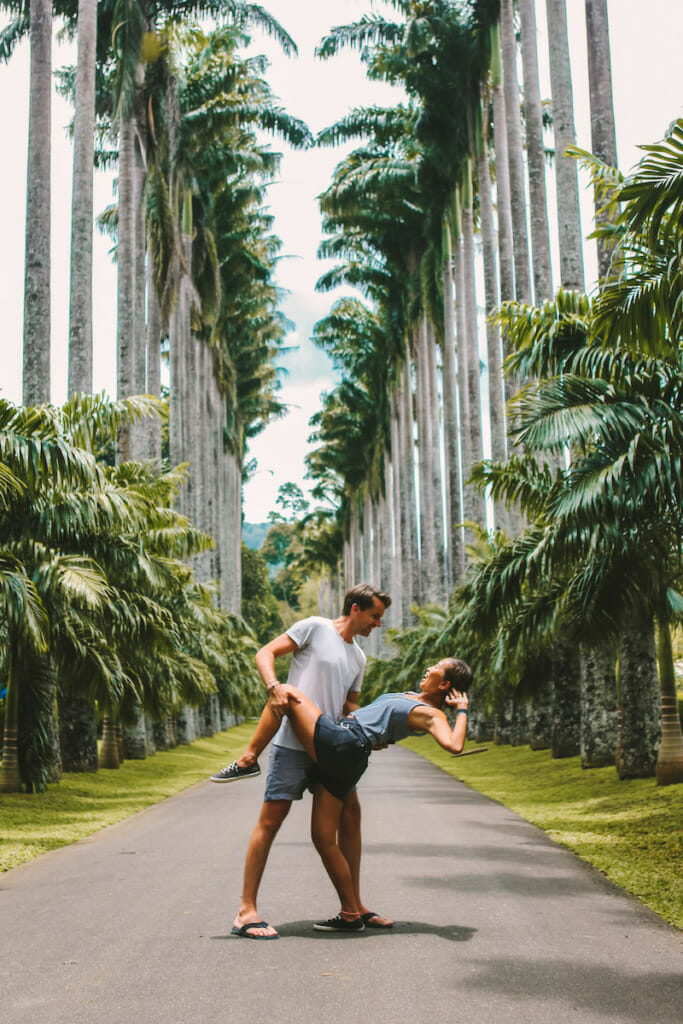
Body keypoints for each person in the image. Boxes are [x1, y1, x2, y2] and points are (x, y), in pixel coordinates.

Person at [227, 657, 472, 935]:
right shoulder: (412, 697)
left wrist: (461, 710)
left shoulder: (432, 713)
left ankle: (247, 760)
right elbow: (374, 714)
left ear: (444, 684)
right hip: (350, 750)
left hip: (344, 744)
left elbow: (454, 745)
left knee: (287, 692)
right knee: (322, 836)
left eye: (435, 668)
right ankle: (352, 911)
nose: (428, 668)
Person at [213, 583, 392, 940]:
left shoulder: (359, 657)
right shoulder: (314, 627)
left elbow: (348, 706)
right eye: (375, 616)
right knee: (272, 819)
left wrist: (377, 728)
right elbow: (266, 653)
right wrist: (273, 686)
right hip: (293, 745)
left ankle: (353, 906)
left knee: (351, 815)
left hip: (330, 748)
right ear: (355, 609)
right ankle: (246, 912)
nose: (378, 624)